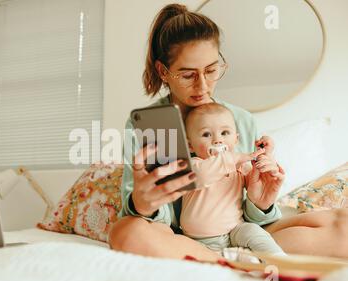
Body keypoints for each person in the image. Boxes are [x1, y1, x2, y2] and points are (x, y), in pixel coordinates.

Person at [109, 3, 348, 261]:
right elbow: (147, 219)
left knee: (343, 226)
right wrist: (143, 205)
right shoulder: (147, 126)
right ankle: (227, 260)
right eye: (188, 75)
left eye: (211, 70)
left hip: (238, 232)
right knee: (125, 233)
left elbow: (255, 218)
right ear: (163, 72)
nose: (203, 85)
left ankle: (226, 258)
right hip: (176, 237)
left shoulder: (240, 121)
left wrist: (260, 202)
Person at [181, 102, 285, 256]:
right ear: (190, 145)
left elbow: (257, 183)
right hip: (200, 240)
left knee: (254, 233)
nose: (217, 140)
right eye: (206, 134)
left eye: (224, 133)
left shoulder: (240, 166)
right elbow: (202, 175)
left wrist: (264, 155)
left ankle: (279, 260)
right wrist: (234, 158)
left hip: (236, 229)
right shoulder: (194, 165)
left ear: (236, 139)